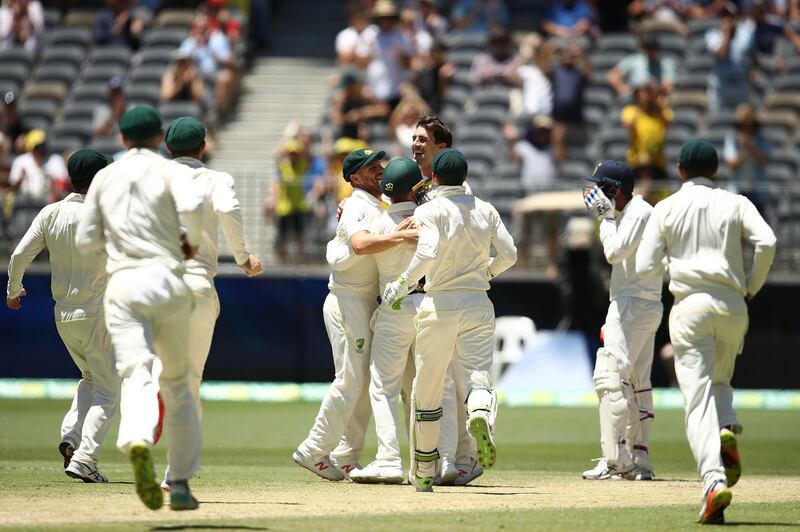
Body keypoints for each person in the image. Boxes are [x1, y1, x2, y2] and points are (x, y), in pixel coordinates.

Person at [636, 139, 776, 524]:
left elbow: (647, 265)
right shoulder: (736, 202)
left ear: (680, 171)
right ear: (715, 170)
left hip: (691, 305)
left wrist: (672, 261)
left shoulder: (665, 208)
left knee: (697, 400)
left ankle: (713, 482)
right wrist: (751, 284)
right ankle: (726, 425)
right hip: (733, 303)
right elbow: (768, 241)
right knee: (720, 381)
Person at [74, 106, 204, 511]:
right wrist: (189, 243)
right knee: (179, 384)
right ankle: (179, 482)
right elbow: (194, 217)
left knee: (136, 373)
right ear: (158, 138)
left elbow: (84, 240)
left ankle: (136, 440)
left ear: (123, 138)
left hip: (123, 283)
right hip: (167, 279)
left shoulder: (105, 176)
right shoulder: (173, 172)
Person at [381, 148, 517, 492]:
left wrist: (400, 286)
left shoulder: (430, 210)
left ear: (435, 179)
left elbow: (426, 254)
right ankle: (480, 414)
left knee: (427, 388)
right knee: (477, 377)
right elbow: (510, 254)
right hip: (477, 303)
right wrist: (486, 271)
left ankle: (425, 470)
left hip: (438, 304)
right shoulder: (486, 209)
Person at [293, 148, 417, 481]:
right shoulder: (358, 205)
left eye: (380, 165)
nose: (379, 170)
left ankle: (346, 455)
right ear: (355, 178)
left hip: (364, 301)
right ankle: (313, 449)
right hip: (348, 301)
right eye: (371, 167)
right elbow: (361, 244)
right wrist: (401, 235)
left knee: (362, 382)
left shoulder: (372, 205)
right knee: (350, 380)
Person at [161, 116, 262, 488]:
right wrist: (243, 256)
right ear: (203, 147)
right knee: (188, 380)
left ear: (167, 148)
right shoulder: (214, 179)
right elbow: (230, 210)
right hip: (196, 284)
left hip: (152, 285)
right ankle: (177, 471)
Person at [7, 149, 116, 483]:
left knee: (90, 377)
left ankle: (71, 436)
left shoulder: (51, 212)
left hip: (64, 316)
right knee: (109, 392)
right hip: (97, 313)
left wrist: (13, 291)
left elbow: (19, 255)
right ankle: (84, 459)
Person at [581, 160, 663, 481]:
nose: (597, 194)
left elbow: (614, 252)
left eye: (602, 188)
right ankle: (638, 459)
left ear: (615, 190)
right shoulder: (634, 212)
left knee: (610, 377)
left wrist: (605, 218)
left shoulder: (638, 213)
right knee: (635, 382)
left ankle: (616, 460)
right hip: (639, 303)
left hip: (632, 305)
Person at [349, 157, 425, 485]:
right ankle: (430, 463)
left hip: (393, 311)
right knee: (426, 389)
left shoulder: (379, 224)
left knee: (383, 388)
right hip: (427, 307)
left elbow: (359, 242)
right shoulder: (429, 219)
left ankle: (389, 459)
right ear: (417, 187)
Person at [179, 13, 237, 116]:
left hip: (215, 71)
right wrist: (196, 47)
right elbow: (181, 59)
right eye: (198, 28)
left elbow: (230, 61)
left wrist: (210, 47)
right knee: (188, 76)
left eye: (204, 28)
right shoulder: (190, 42)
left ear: (209, 27)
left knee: (226, 77)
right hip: (197, 73)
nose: (201, 30)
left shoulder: (218, 39)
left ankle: (219, 112)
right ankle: (204, 111)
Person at [264, 138, 312, 262]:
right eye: (290, 154)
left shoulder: (301, 166)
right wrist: (285, 140)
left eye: (295, 154)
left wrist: (300, 146)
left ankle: (299, 262)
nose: (293, 156)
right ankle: (281, 261)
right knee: (282, 237)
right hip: (284, 207)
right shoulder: (283, 167)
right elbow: (277, 155)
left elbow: (307, 155)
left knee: (299, 237)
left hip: (298, 206)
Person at [359, 0, 413, 107]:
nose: (385, 21)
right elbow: (361, 64)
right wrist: (370, 51)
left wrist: (400, 55)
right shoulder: (368, 34)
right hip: (373, 92)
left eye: (388, 17)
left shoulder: (401, 36)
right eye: (382, 17)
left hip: (396, 92)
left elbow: (408, 65)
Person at [705, 5, 756, 113]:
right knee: (719, 121)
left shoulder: (745, 34)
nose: (726, 20)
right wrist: (726, 33)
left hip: (741, 84)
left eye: (729, 17)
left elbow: (752, 55)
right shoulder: (712, 35)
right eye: (723, 17)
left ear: (735, 18)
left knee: (744, 118)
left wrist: (753, 70)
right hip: (721, 86)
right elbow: (721, 54)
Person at [621, 83, 673, 184]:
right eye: (644, 92)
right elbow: (629, 124)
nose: (648, 95)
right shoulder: (631, 111)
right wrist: (642, 106)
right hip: (637, 163)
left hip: (658, 163)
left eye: (651, 93)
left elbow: (667, 123)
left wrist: (658, 105)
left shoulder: (662, 112)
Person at [723, 103, 769, 214]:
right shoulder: (732, 139)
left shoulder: (762, 139)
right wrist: (744, 150)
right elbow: (732, 164)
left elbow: (764, 161)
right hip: (737, 192)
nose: (747, 128)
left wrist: (750, 146)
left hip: (757, 193)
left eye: (749, 124)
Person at [607, 37, 677, 98]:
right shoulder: (634, 60)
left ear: (658, 49)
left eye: (654, 48)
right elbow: (612, 75)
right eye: (648, 48)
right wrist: (621, 88)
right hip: (634, 97)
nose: (651, 51)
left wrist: (651, 89)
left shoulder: (665, 64)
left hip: (657, 97)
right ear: (644, 48)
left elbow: (668, 86)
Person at [335, 0, 377, 67]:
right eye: (355, 15)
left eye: (362, 14)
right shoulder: (344, 34)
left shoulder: (375, 31)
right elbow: (344, 59)